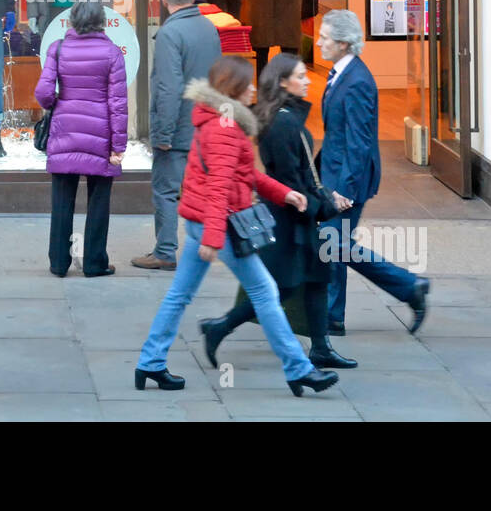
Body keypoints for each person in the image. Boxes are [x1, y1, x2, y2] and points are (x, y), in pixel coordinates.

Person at [134, 57, 338, 397]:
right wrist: (214, 238)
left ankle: (150, 362)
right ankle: (299, 369)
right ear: (234, 88)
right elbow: (220, 186)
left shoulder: (214, 118)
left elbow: (243, 173)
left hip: (201, 221)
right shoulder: (226, 127)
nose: (254, 88)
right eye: (248, 83)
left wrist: (283, 193)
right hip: (220, 225)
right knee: (265, 292)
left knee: (179, 295)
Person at [199, 54, 358, 370]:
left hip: (297, 213)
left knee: (316, 277)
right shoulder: (283, 122)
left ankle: (321, 347)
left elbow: (302, 175)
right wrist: (324, 205)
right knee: (282, 286)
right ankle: (221, 327)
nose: (307, 80)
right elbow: (290, 180)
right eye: (300, 76)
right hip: (288, 218)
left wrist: (325, 197)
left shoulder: (285, 117)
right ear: (283, 82)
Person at [317, 10, 429, 335]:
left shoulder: (357, 82)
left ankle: (406, 288)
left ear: (343, 43)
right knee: (334, 245)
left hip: (347, 181)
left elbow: (359, 142)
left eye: (324, 37)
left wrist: (345, 190)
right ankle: (335, 315)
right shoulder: (341, 74)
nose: (319, 42)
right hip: (334, 175)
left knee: (333, 244)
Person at [132, 0, 220, 272]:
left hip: (179, 127)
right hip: (206, 123)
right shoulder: (209, 28)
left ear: (163, 0)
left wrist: (163, 134)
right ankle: (206, 247)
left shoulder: (170, 33)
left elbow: (169, 87)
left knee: (166, 191)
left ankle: (165, 251)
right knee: (203, 189)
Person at [35, 0, 128, 278]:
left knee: (62, 201)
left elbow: (43, 92)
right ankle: (94, 263)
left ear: (73, 20)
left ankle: (58, 263)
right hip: (101, 136)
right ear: (101, 21)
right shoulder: (112, 53)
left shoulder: (58, 49)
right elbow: (118, 104)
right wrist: (118, 146)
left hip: (65, 131)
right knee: (99, 202)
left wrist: (57, 103)